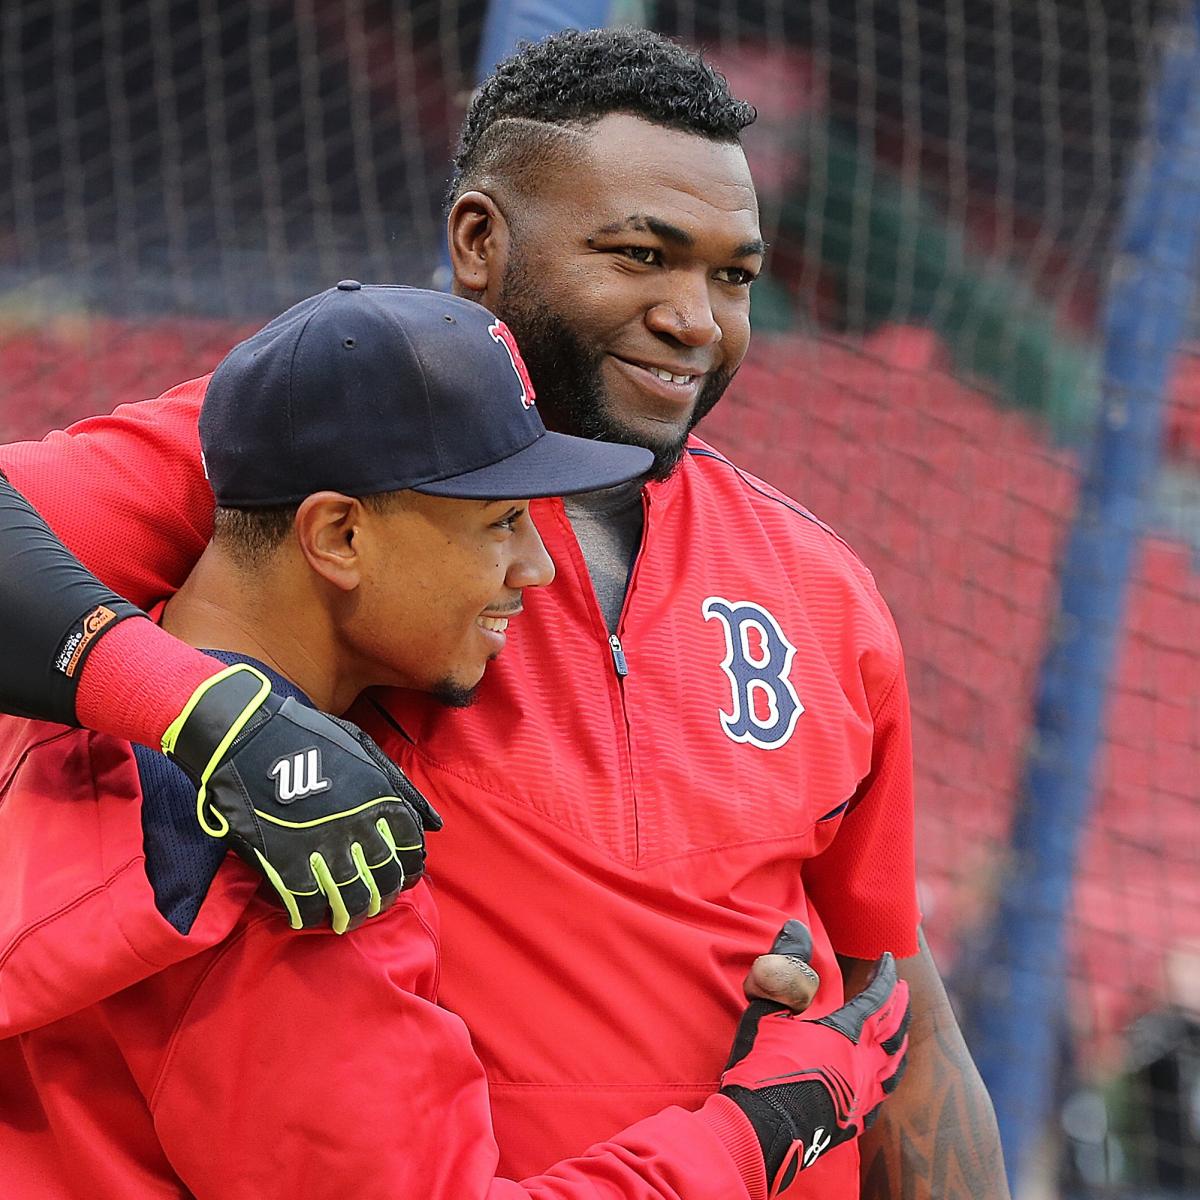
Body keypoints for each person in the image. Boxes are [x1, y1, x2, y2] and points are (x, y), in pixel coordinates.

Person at [0, 28, 1008, 1200]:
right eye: (642, 255)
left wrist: (806, 1100)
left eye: (735, 275)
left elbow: (899, 1016)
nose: (697, 319)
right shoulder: (309, 451)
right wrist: (223, 720)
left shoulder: (824, 592)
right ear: (480, 240)